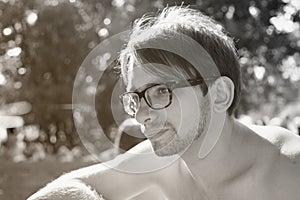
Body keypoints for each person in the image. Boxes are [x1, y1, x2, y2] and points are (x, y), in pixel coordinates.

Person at [27, 6, 300, 200]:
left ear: (219, 95)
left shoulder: (289, 173)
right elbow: (66, 187)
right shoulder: (161, 162)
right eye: (134, 98)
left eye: (160, 91)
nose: (141, 115)